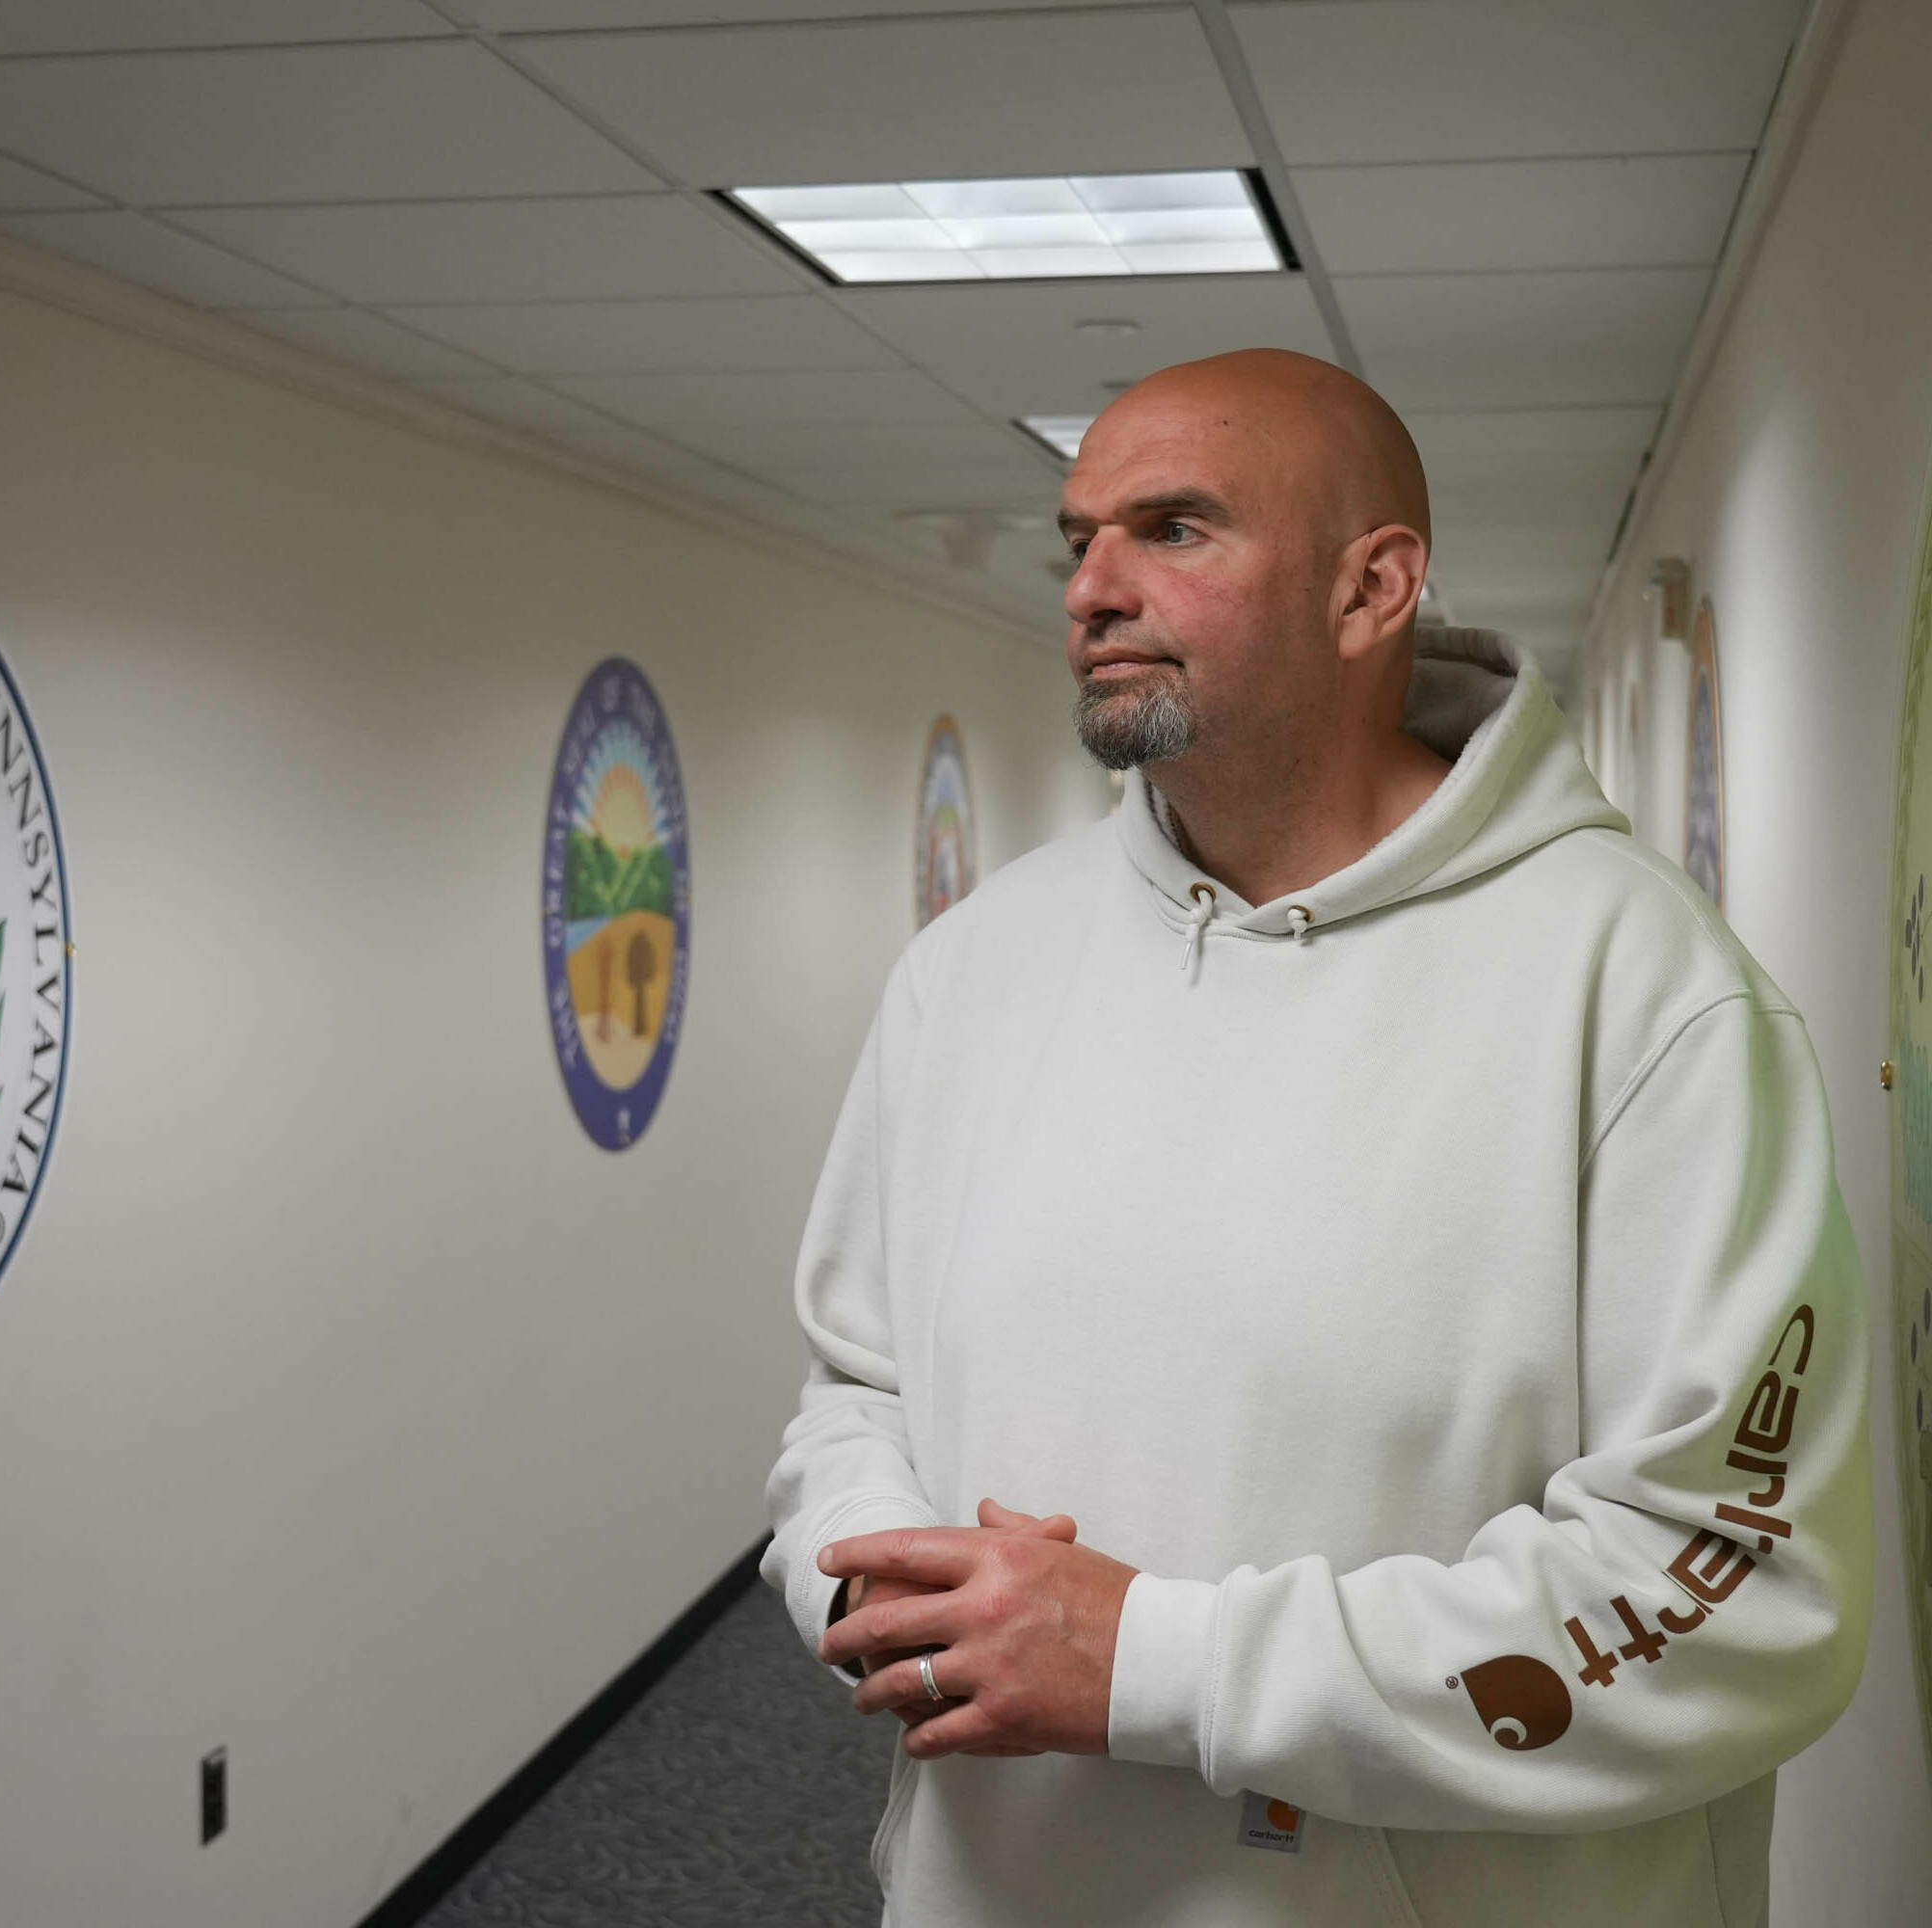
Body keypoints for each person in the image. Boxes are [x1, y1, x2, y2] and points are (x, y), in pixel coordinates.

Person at [762, 349, 1870, 1926]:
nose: (1093, 586)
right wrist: (869, 1572)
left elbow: (1731, 1591)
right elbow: (856, 1383)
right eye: (1080, 537)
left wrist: (1155, 1661)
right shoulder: (975, 966)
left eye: (1176, 529)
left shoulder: (1642, 994)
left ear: (1375, 587)